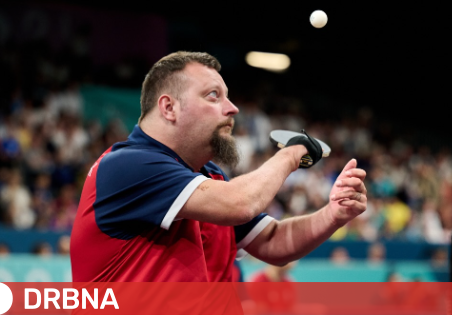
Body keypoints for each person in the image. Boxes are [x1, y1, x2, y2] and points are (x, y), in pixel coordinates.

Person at [70, 51, 368, 282]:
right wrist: (292, 154)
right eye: (213, 96)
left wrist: (333, 214)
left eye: (227, 96)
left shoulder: (210, 176)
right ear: (169, 107)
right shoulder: (128, 165)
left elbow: (273, 241)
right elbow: (241, 203)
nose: (232, 108)